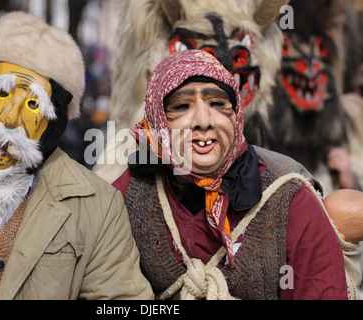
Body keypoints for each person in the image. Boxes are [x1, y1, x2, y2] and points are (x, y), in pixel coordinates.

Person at [0, 12, 153, 300]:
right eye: (1, 93)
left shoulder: (98, 209)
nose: (10, 119)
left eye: (32, 103)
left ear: (53, 126)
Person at [113, 49, 359, 300]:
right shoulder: (129, 194)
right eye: (182, 106)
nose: (203, 121)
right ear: (157, 121)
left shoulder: (289, 197)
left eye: (218, 104)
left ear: (236, 116)